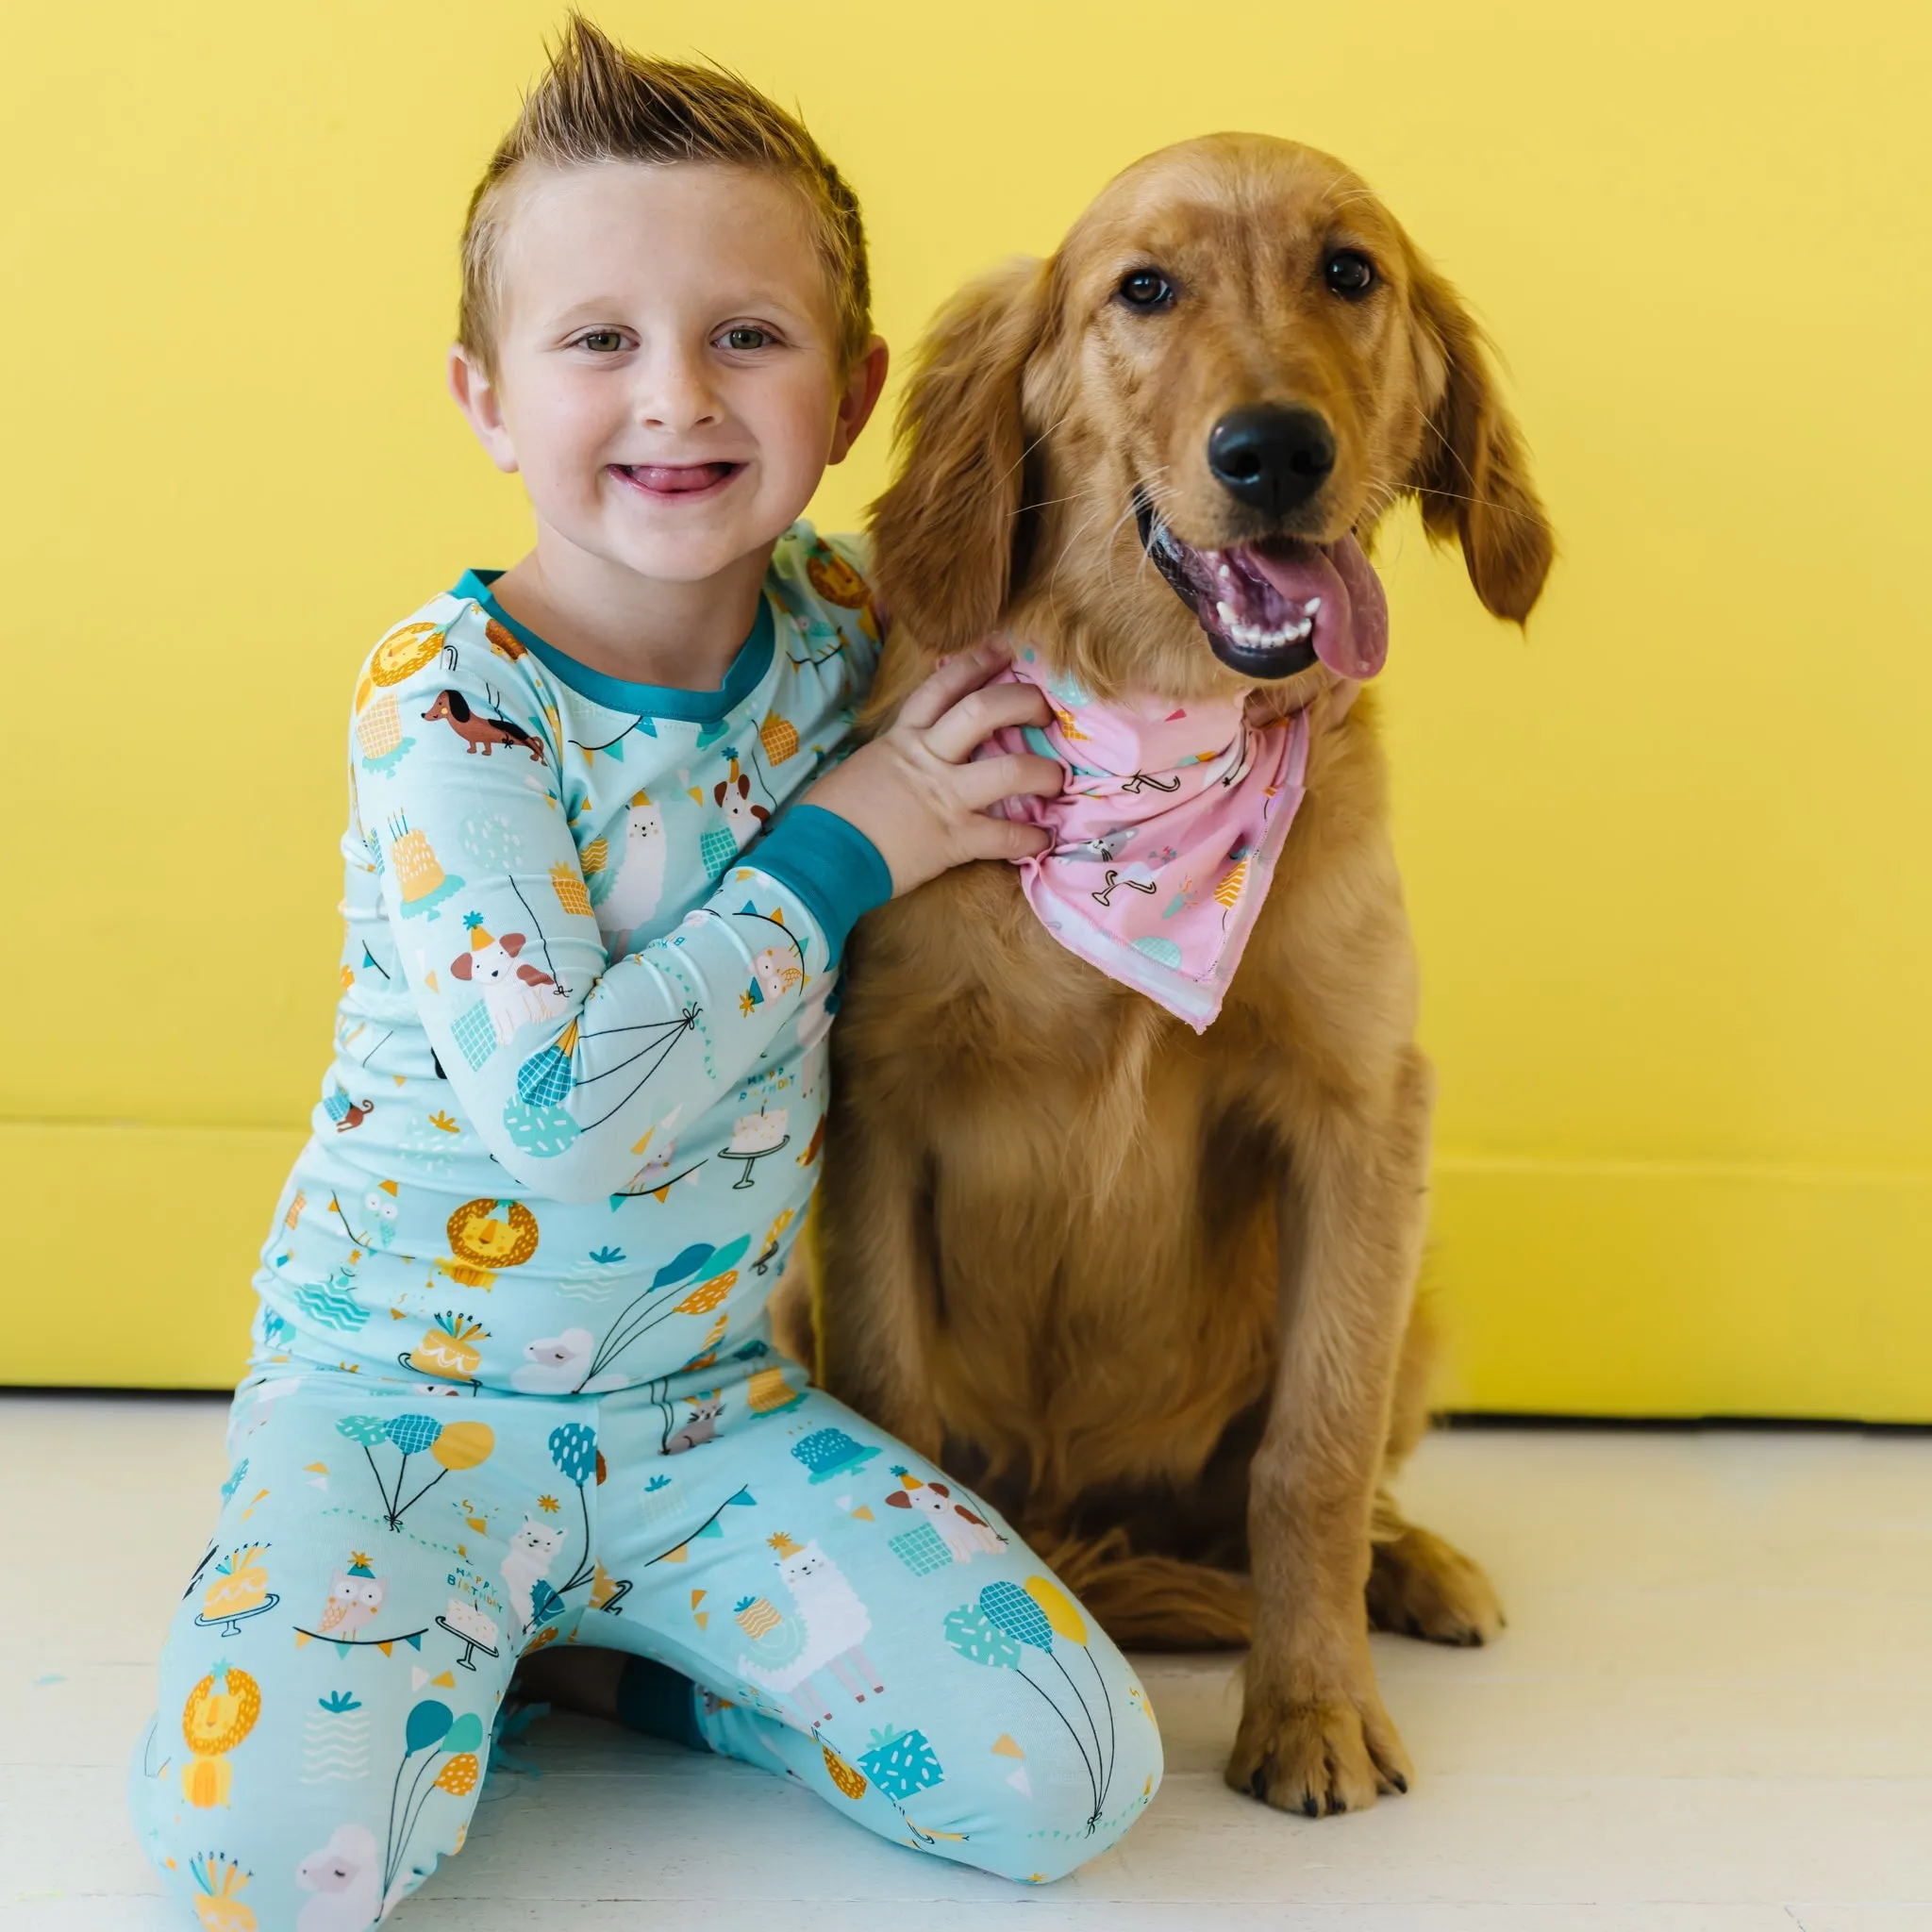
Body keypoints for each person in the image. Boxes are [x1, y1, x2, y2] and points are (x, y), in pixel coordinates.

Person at [127, 18, 1161, 1924]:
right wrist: (852, 835)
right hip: (392, 1401)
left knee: (1072, 1772)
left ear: (848, 392)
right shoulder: (450, 704)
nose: (675, 396)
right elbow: (563, 1113)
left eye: (744, 337)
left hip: (707, 1413)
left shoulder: (847, 628)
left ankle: (614, 1667)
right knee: (266, 1867)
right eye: (597, 340)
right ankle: (420, 1638)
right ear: (485, 397)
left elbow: (1080, 643)